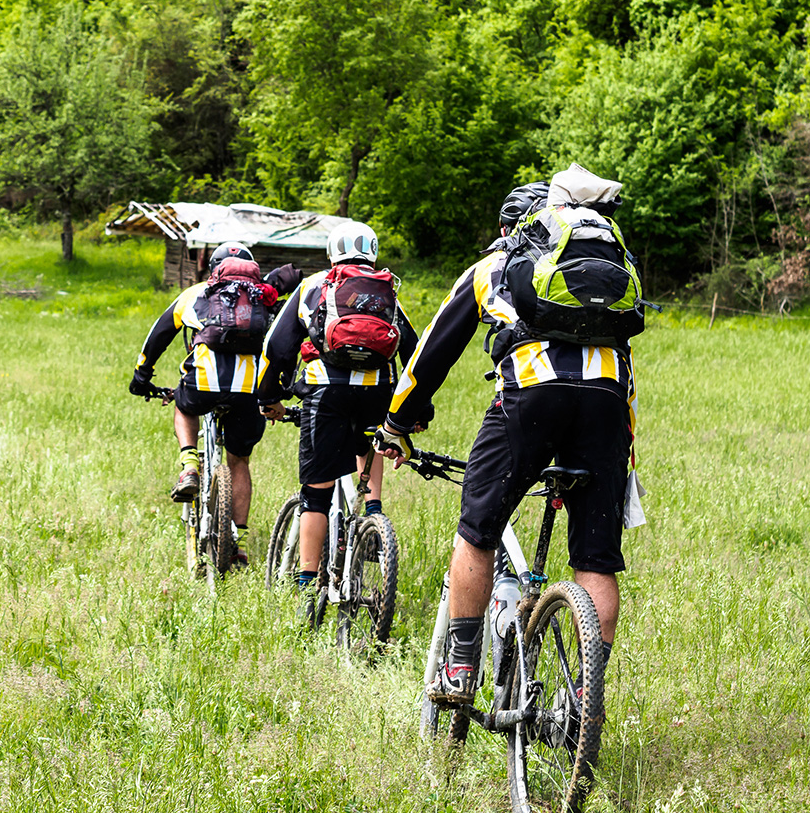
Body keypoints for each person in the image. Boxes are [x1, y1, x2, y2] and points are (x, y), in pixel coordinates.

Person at [375, 169, 639, 704]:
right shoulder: (604, 271)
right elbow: (625, 363)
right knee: (595, 561)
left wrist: (397, 424)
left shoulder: (495, 266)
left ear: (510, 226)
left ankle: (459, 672)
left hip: (531, 397)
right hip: (609, 403)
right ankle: (584, 699)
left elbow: (431, 354)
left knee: (477, 534)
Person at [257, 221, 417, 621]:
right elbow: (414, 349)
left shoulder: (314, 285)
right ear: (373, 252)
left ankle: (307, 592)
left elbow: (277, 346)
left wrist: (269, 397)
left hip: (326, 392)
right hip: (378, 392)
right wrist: (413, 412)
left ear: (332, 251)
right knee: (370, 438)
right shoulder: (387, 290)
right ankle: (374, 516)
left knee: (316, 495)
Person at [129, 242, 292, 567]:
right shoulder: (265, 299)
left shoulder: (197, 293)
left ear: (213, 269)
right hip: (251, 392)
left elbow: (159, 335)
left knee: (183, 406)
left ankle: (190, 466)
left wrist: (142, 375)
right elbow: (283, 344)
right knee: (240, 462)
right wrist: (281, 389)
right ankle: (240, 546)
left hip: (204, 383)